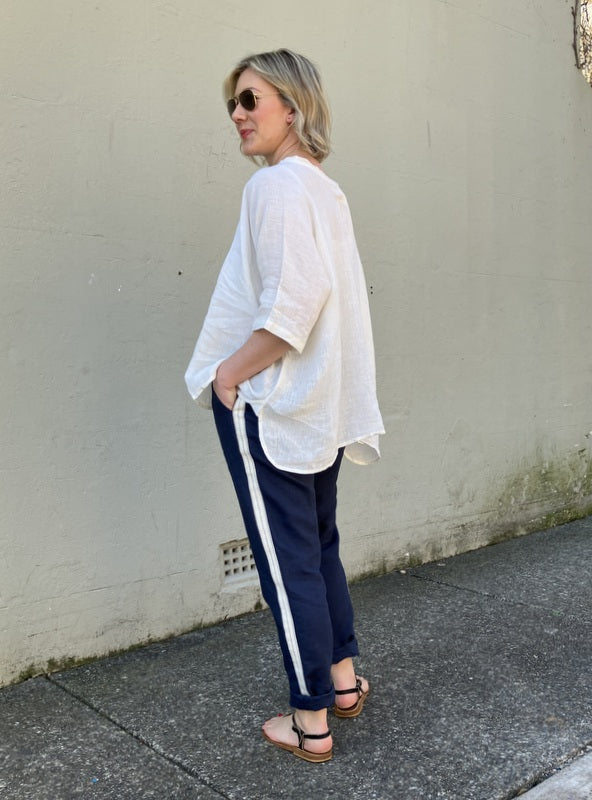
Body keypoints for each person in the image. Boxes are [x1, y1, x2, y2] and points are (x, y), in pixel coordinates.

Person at [185, 48, 384, 763]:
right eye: (232, 104)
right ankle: (342, 684)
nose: (237, 115)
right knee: (318, 547)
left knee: (286, 562)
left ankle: (310, 721)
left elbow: (292, 306)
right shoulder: (325, 191)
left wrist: (228, 375)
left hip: (270, 404)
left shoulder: (273, 187)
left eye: (250, 100)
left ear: (293, 108)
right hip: (318, 406)